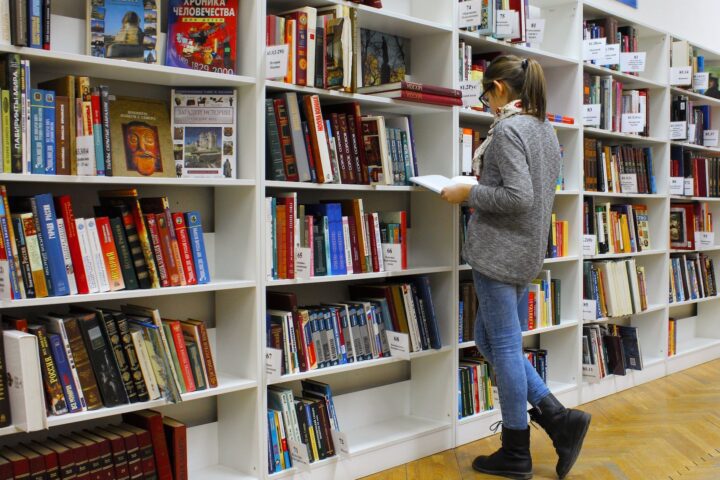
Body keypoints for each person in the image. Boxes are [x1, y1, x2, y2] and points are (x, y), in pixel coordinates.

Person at [441, 55, 591, 480]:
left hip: (499, 251)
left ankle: (516, 450)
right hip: (525, 250)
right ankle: (557, 416)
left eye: (486, 93)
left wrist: (468, 192)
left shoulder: (507, 130)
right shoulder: (544, 128)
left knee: (503, 346)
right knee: (487, 338)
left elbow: (518, 197)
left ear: (500, 90)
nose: (486, 102)